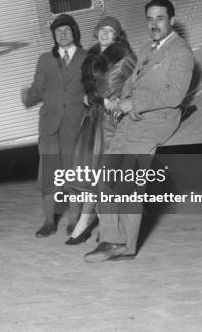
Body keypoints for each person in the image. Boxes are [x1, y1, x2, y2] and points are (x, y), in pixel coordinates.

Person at [84, 0, 194, 261]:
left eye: (160, 18)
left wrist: (131, 103)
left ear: (172, 20)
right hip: (131, 119)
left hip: (155, 121)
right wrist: (116, 100)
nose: (154, 24)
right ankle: (117, 241)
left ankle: (119, 243)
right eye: (149, 19)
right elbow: (129, 83)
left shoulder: (181, 52)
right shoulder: (147, 49)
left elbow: (174, 95)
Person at [65, 16, 136, 245]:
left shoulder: (124, 56)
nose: (105, 34)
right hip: (94, 120)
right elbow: (90, 89)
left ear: (116, 35)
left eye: (110, 31)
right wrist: (91, 96)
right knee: (92, 175)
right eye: (102, 30)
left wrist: (108, 99)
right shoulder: (91, 56)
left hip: (112, 121)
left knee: (105, 176)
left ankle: (88, 225)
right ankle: (94, 226)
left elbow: (125, 86)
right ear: (96, 33)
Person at [21, 14, 87, 237]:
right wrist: (28, 97)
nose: (62, 34)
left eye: (67, 30)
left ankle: (74, 222)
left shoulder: (87, 57)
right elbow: (38, 88)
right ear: (54, 36)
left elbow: (94, 89)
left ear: (74, 32)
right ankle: (49, 222)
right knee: (49, 175)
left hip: (76, 125)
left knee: (76, 175)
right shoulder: (44, 59)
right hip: (49, 126)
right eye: (58, 31)